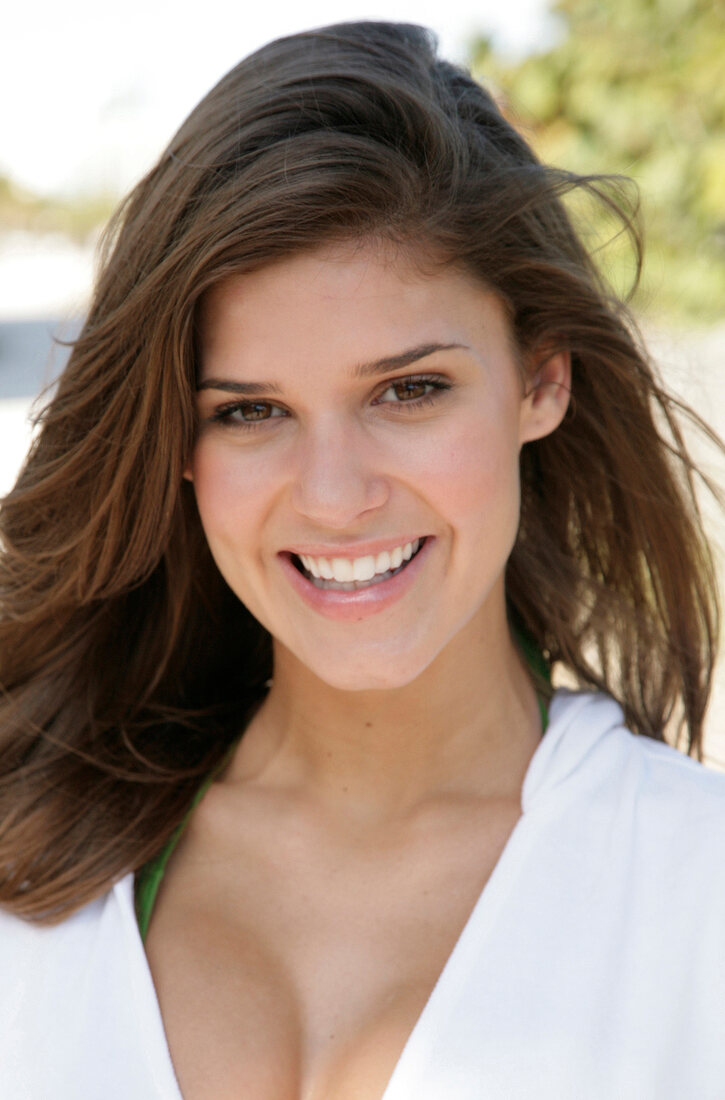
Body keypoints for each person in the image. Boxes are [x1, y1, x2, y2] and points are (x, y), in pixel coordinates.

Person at [1, 20, 724, 1100]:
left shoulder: (693, 893)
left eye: (407, 390)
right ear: (179, 450)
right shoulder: (34, 860)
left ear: (541, 380)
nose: (334, 494)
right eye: (249, 410)